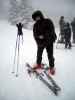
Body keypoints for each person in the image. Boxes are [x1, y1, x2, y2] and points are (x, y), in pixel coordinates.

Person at [32, 10, 57, 75]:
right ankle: (38, 64)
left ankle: (52, 67)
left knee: (50, 55)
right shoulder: (35, 25)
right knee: (39, 55)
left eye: (38, 16)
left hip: (49, 42)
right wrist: (38, 38)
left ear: (41, 15)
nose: (37, 18)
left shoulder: (48, 21)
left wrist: (44, 36)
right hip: (41, 43)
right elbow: (35, 34)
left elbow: (51, 31)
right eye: (35, 17)